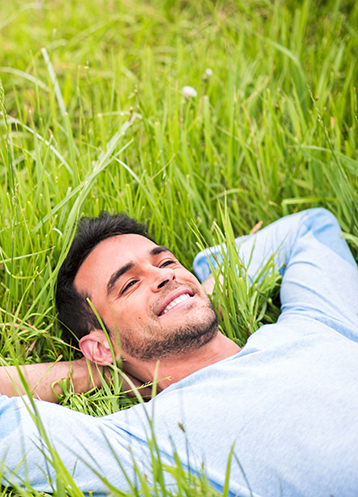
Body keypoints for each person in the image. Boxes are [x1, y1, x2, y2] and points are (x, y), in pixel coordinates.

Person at [0, 207, 358, 497]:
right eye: (129, 284)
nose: (162, 276)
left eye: (166, 262)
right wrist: (91, 372)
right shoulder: (146, 444)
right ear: (100, 345)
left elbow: (308, 227)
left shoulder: (318, 320)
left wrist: (210, 280)